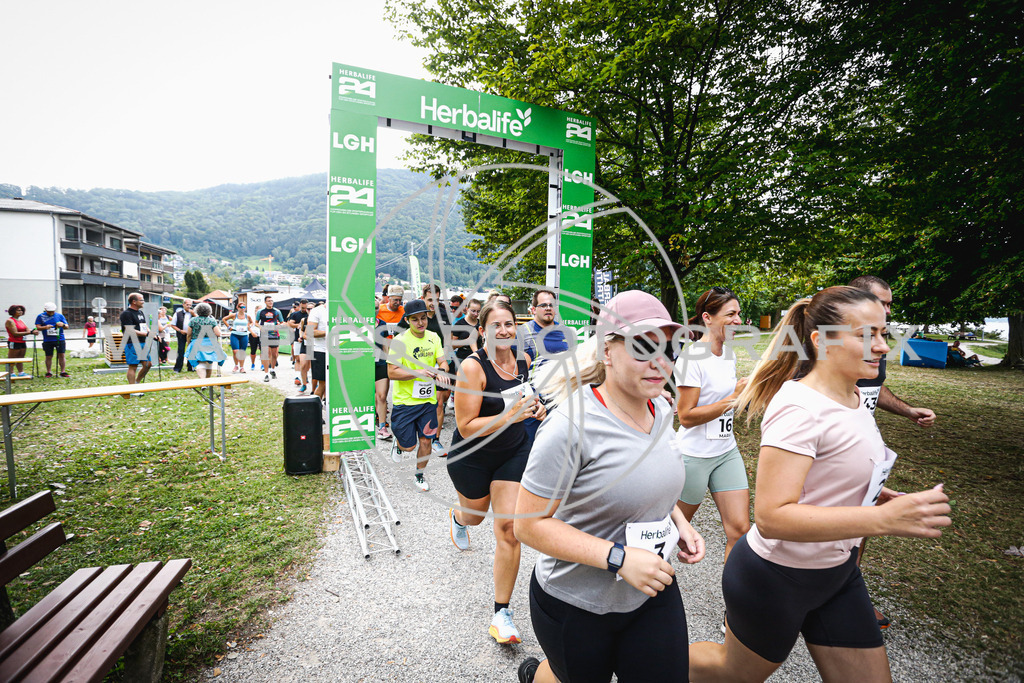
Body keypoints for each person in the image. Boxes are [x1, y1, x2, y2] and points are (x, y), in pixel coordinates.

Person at [688, 286, 952, 682]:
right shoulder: (799, 407)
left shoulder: (854, 397)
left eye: (884, 333)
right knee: (731, 674)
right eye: (866, 335)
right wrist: (881, 521)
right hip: (777, 577)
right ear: (821, 340)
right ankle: (645, 661)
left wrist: (874, 495)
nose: (882, 346)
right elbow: (773, 517)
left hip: (837, 572)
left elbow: (833, 467)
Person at [514, 290, 706, 683]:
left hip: (650, 589)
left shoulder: (663, 407)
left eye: (670, 348)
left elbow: (652, 478)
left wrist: (679, 524)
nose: (660, 362)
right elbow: (527, 524)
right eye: (643, 346)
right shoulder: (570, 425)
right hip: (574, 603)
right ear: (606, 351)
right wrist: (619, 558)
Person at [447, 300, 545, 645]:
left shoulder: (524, 361)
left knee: (508, 528)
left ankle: (501, 613)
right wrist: (510, 416)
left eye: (509, 324)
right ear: (482, 331)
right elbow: (465, 425)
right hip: (472, 456)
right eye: (496, 326)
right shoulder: (472, 369)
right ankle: (460, 519)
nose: (504, 331)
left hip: (513, 451)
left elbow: (523, 399)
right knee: (475, 518)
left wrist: (536, 409)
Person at [849, 275, 936, 630]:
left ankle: (848, 591)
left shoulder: (877, 343)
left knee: (861, 524)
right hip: (836, 449)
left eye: (889, 304)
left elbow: (874, 388)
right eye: (881, 303)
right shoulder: (837, 343)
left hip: (867, 447)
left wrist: (907, 410)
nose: (888, 310)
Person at [673, 287, 750, 567]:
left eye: (738, 314)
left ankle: (735, 611)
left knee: (740, 532)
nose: (737, 321)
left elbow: (726, 404)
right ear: (707, 317)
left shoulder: (728, 355)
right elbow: (686, 416)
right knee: (670, 532)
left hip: (726, 451)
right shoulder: (692, 357)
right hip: (693, 457)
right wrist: (731, 399)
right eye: (730, 314)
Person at [387, 298, 451, 492]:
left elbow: (443, 362)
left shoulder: (433, 337)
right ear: (407, 320)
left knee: (426, 440)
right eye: (415, 319)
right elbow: (391, 372)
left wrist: (441, 370)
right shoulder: (400, 341)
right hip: (405, 402)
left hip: (427, 401)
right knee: (409, 446)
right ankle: (398, 444)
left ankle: (419, 475)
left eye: (423, 318)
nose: (420, 323)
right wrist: (418, 372)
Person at [399, 284, 453, 454]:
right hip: (416, 367)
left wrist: (444, 363)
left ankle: (435, 439)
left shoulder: (443, 315)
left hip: (438, 363)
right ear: (423, 299)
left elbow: (448, 337)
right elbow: (399, 337)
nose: (434, 304)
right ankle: (405, 433)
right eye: (430, 300)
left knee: (439, 403)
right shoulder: (411, 315)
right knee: (426, 402)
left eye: (437, 300)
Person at [519, 289, 570, 442]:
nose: (548, 308)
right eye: (543, 305)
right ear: (533, 309)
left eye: (551, 305)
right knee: (530, 449)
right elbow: (512, 371)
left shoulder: (565, 332)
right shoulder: (522, 332)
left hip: (559, 401)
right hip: (534, 404)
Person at [375, 286, 405, 439]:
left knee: (382, 395)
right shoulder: (379, 309)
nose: (398, 303)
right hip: (369, 358)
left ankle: (382, 425)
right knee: (372, 395)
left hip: (386, 355)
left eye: (400, 300)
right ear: (388, 299)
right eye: (395, 300)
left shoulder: (403, 312)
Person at [185, 302, 224, 378]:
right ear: (209, 311)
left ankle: (203, 382)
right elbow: (218, 334)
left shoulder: (193, 320)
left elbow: (189, 334)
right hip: (210, 343)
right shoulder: (212, 321)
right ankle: (207, 382)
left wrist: (188, 344)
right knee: (209, 362)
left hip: (197, 343)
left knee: (200, 362)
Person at [119, 293, 151, 386]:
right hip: (131, 343)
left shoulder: (140, 313)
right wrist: (146, 333)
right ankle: (132, 389)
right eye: (141, 300)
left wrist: (151, 333)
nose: (143, 302)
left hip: (142, 342)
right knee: (133, 366)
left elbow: (144, 326)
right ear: (134, 301)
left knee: (148, 364)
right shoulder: (126, 314)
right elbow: (129, 330)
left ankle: (136, 383)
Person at [36, 302, 71, 378]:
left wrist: (63, 325)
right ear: (45, 310)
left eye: (53, 311)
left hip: (59, 339)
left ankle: (63, 371)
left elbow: (67, 326)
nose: (51, 312)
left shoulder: (60, 316)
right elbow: (38, 327)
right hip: (48, 340)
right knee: (48, 356)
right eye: (49, 311)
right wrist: (45, 327)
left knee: (61, 355)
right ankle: (48, 372)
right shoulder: (40, 316)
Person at [256, 295, 284, 383]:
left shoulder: (277, 311)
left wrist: (279, 326)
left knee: (274, 354)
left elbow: (282, 322)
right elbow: (256, 322)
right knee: (266, 353)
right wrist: (260, 327)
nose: (270, 302)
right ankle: (266, 373)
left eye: (271, 301)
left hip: (274, 334)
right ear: (265, 302)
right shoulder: (261, 312)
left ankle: (272, 369)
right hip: (264, 334)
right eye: (268, 301)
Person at [305, 300, 328, 402]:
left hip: (339, 351)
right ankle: (314, 413)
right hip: (321, 351)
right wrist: (330, 332)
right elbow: (309, 332)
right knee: (322, 383)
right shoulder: (317, 311)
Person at [5, 305, 36, 376]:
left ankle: (21, 372)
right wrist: (30, 332)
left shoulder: (20, 320)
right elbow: (15, 333)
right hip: (14, 342)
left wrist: (33, 331)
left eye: (21, 310)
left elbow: (27, 329)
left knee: (21, 358)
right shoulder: (10, 321)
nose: (20, 312)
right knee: (12, 358)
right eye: (18, 310)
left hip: (22, 342)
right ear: (13, 311)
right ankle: (11, 372)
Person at [223, 300, 252, 373]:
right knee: (235, 351)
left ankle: (242, 367)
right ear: (237, 307)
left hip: (244, 335)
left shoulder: (247, 316)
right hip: (235, 334)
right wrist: (229, 327)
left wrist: (249, 326)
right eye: (241, 307)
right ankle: (236, 365)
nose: (242, 308)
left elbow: (252, 322)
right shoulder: (234, 315)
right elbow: (224, 319)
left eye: (244, 307)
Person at [451, 297, 481, 368]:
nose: (476, 314)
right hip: (462, 358)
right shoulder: (459, 324)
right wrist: (467, 341)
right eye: (473, 311)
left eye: (478, 311)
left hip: (478, 358)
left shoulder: (481, 324)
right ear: (467, 309)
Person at [287, 300, 309, 386]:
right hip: (297, 339)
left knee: (308, 360)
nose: (305, 309)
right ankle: (297, 377)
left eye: (306, 308)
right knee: (298, 358)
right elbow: (290, 324)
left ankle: (305, 376)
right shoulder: (295, 314)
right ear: (300, 306)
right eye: (303, 308)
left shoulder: (310, 315)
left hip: (308, 340)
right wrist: (298, 325)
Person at [170, 299, 193, 373]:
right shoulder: (177, 313)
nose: (188, 306)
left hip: (191, 334)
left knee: (191, 350)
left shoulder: (193, 313)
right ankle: (178, 368)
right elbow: (173, 325)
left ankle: (190, 367)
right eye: (187, 304)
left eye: (190, 305)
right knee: (181, 350)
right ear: (183, 305)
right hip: (181, 334)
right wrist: (180, 330)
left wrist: (194, 313)